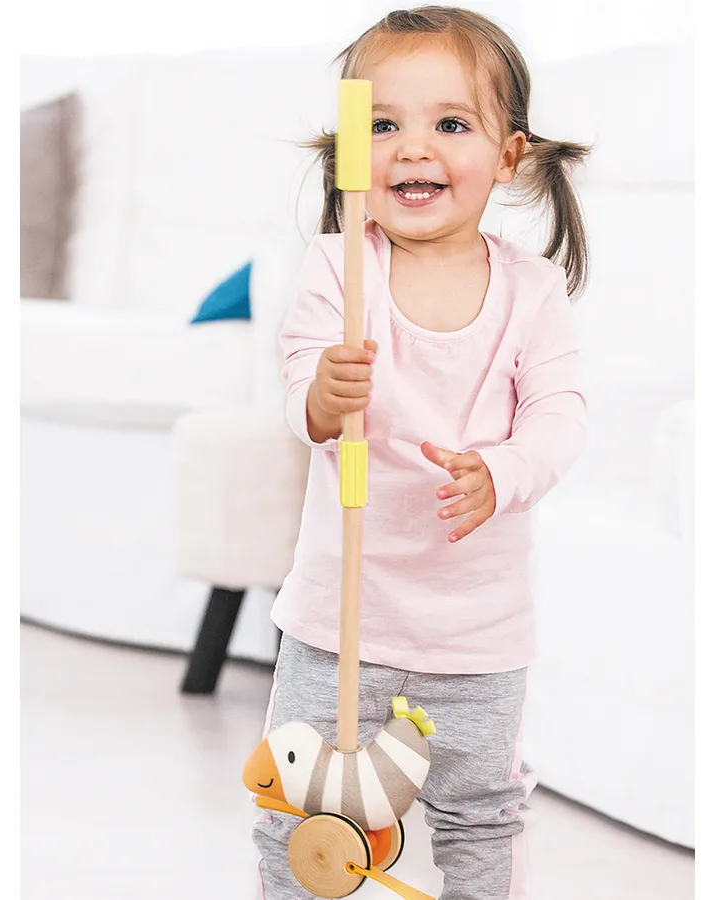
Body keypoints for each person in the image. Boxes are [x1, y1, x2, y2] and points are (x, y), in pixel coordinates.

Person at [253, 7, 591, 899]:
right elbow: (301, 390)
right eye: (381, 125)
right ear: (348, 153)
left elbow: (560, 415)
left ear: (509, 156)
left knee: (481, 816)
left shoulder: (532, 290)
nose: (412, 148)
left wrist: (504, 473)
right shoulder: (339, 268)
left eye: (449, 124)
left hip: (477, 637)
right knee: (303, 816)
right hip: (337, 624)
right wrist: (323, 395)